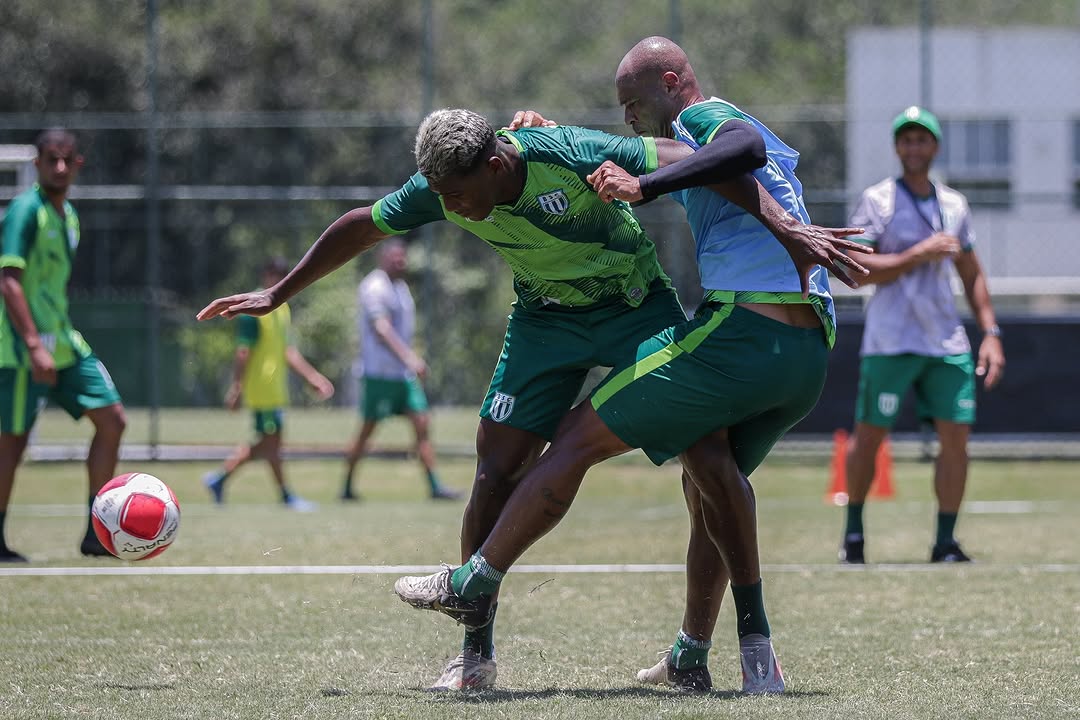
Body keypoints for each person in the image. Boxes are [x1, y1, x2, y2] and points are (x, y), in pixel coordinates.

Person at [198, 106, 863, 692]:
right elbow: (361, 226)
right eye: (444, 198)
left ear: (495, 164)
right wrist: (280, 292)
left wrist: (785, 227)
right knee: (494, 470)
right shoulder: (442, 187)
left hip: (635, 307)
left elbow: (702, 160)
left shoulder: (568, 152)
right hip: (545, 322)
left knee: (709, 458)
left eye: (461, 196)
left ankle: (748, 645)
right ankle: (474, 655)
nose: (453, 210)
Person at [392, 37, 871, 694]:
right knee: (710, 480)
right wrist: (788, 228)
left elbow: (739, 152)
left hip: (748, 332)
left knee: (575, 438)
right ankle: (717, 654)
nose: (629, 120)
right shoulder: (720, 134)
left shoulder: (705, 116)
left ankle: (473, 581)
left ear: (672, 84)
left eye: (633, 105)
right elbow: (741, 172)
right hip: (809, 347)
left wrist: (642, 184)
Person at [839, 106, 1005, 565]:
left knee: (957, 438)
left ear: (935, 147)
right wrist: (917, 254)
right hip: (891, 339)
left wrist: (990, 332)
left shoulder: (954, 205)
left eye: (922, 139)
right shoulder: (878, 201)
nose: (914, 147)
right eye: (906, 139)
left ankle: (945, 542)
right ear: (897, 148)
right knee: (870, 436)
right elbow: (858, 269)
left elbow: (972, 273)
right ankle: (853, 536)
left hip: (945, 340)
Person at [0, 128, 127, 561]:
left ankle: (97, 531)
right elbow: (8, 281)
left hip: (66, 345)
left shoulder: (68, 215)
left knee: (112, 419)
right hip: (20, 349)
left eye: (66, 159)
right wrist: (33, 344)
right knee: (11, 443)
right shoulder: (24, 211)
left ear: (77, 164)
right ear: (36, 165)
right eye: (50, 159)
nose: (59, 167)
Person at [202, 258, 335, 511]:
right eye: (273, 274)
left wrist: (312, 378)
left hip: (275, 388)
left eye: (282, 275)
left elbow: (287, 351)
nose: (277, 279)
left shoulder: (282, 308)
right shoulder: (253, 308)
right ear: (265, 275)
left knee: (271, 444)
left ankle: (221, 479)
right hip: (261, 388)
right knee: (271, 443)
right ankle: (276, 493)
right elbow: (243, 351)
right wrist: (237, 387)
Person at [341, 237, 459, 501]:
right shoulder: (374, 286)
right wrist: (410, 358)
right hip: (380, 374)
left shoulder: (401, 288)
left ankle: (435, 486)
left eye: (403, 258)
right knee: (367, 431)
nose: (400, 262)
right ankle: (346, 486)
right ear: (382, 258)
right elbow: (381, 329)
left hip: (402, 377)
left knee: (422, 422)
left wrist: (409, 360)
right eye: (395, 257)